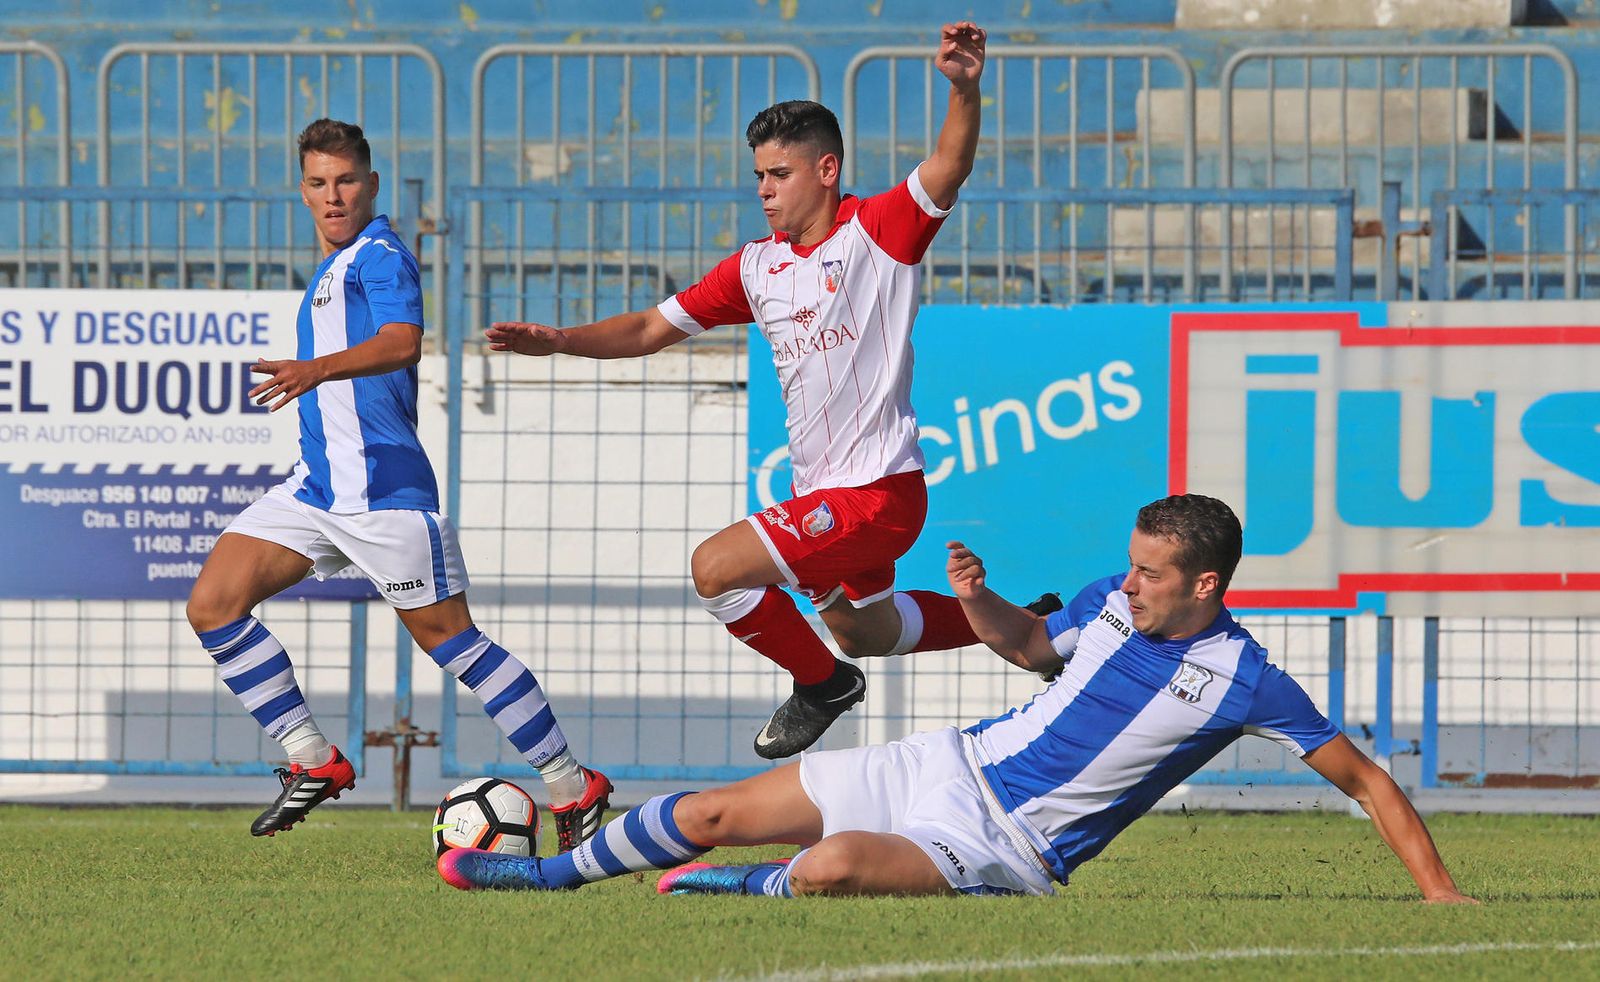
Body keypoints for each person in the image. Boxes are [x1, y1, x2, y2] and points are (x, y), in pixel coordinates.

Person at [435, 494, 1475, 903]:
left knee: (831, 868)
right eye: (1131, 565)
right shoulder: (1112, 603)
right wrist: (978, 605)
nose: (1131, 581)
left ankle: (736, 889)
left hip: (1009, 844)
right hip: (944, 760)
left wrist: (1435, 891)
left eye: (1152, 573)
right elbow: (1030, 647)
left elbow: (1368, 781)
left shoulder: (1247, 679)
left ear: (1207, 583)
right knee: (710, 809)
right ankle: (553, 874)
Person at [485, 22, 1001, 759]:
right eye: (758, 175)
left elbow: (949, 166)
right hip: (823, 493)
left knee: (715, 570)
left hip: (879, 492)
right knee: (868, 632)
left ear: (826, 170)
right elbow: (645, 329)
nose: (763, 189)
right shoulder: (756, 267)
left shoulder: (878, 232)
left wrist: (962, 87)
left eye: (778, 174)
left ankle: (825, 686)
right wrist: (562, 341)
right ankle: (1024, 626)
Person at [185, 119, 611, 849]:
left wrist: (313, 369)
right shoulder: (331, 266)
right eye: (318, 183)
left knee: (456, 647)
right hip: (317, 490)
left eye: (346, 180)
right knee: (214, 605)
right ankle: (313, 759)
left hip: (384, 494)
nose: (333, 195)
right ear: (303, 190)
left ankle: (573, 786)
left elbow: (403, 342)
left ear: (371, 185)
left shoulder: (380, 255)